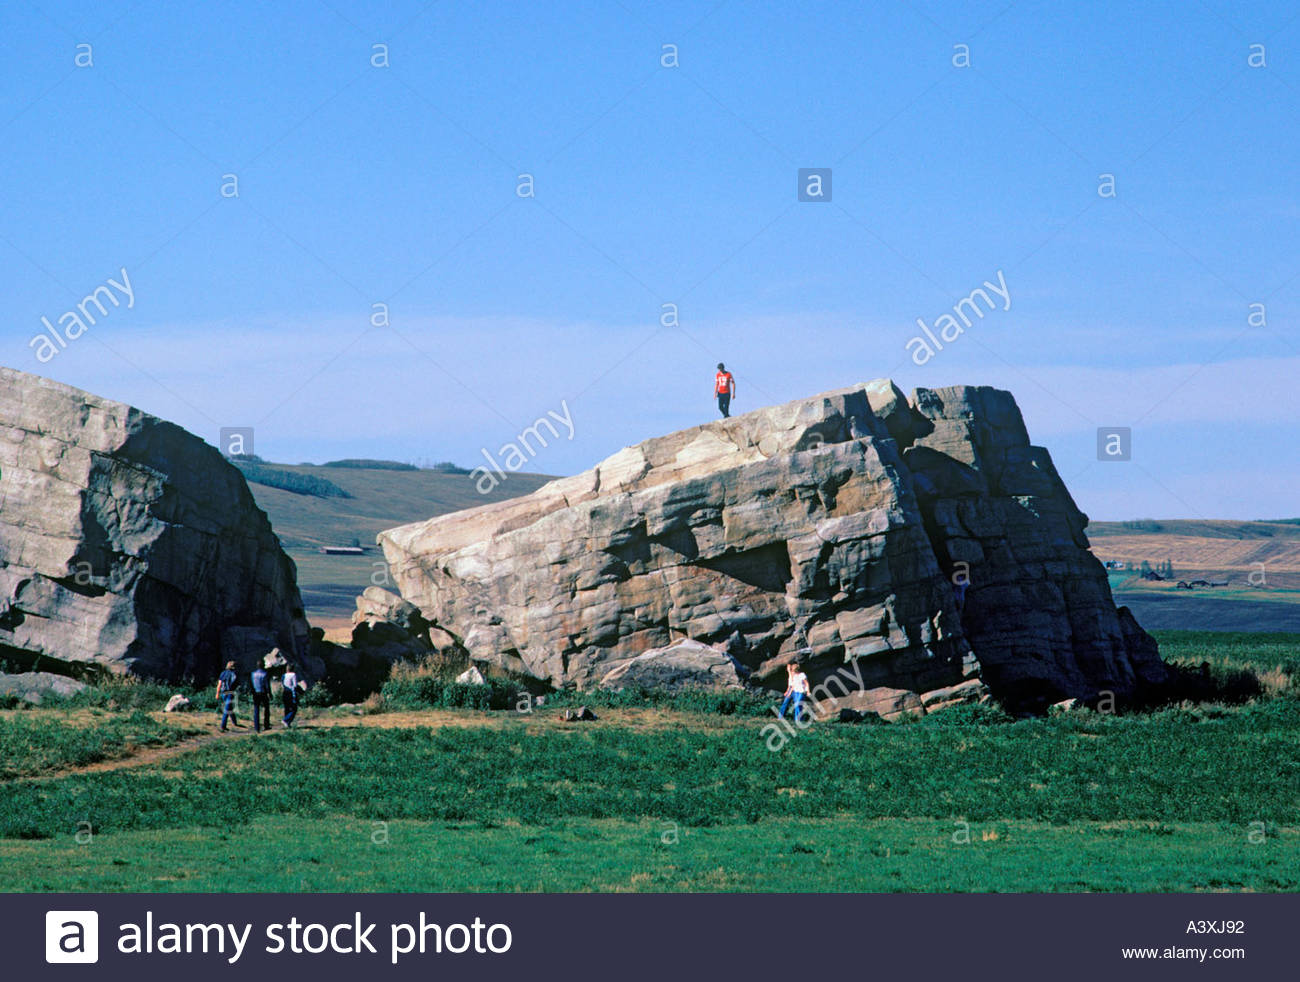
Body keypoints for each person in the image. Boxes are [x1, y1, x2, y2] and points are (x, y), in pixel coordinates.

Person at [216, 661, 241, 732]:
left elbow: (219, 684)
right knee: (227, 709)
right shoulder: (234, 674)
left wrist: (217, 693)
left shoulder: (223, 673)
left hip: (223, 693)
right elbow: (237, 685)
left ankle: (234, 722)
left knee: (228, 707)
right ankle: (223, 726)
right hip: (230, 693)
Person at [250, 659, 271, 733]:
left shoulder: (252, 674)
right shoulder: (265, 674)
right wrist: (269, 694)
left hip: (255, 693)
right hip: (263, 693)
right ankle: (266, 725)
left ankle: (256, 727)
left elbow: (251, 684)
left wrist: (252, 692)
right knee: (266, 708)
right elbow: (267, 685)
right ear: (263, 665)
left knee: (256, 709)